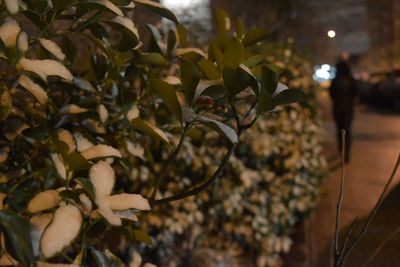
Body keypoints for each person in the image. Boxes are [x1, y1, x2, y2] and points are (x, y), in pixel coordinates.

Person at [329, 60, 357, 163]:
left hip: (338, 108)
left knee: (339, 130)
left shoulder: (335, 80)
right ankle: (347, 152)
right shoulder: (351, 80)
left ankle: (341, 149)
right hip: (348, 108)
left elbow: (331, 94)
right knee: (348, 130)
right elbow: (355, 94)